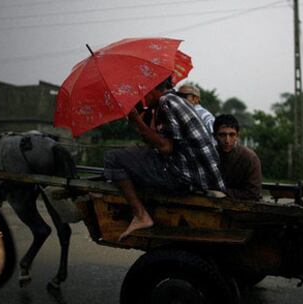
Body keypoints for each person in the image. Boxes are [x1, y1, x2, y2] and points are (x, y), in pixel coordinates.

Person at [104, 77, 226, 241]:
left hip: (183, 176)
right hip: (198, 175)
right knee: (138, 154)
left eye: (144, 93)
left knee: (113, 158)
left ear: (154, 89)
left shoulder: (165, 102)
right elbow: (162, 142)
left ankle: (140, 215)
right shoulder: (175, 100)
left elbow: (165, 148)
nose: (143, 98)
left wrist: (136, 120)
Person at [213, 114, 262, 201]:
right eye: (222, 135)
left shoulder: (250, 158)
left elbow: (253, 193)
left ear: (237, 136)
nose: (227, 140)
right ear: (215, 136)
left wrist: (223, 193)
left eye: (231, 135)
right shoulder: (210, 155)